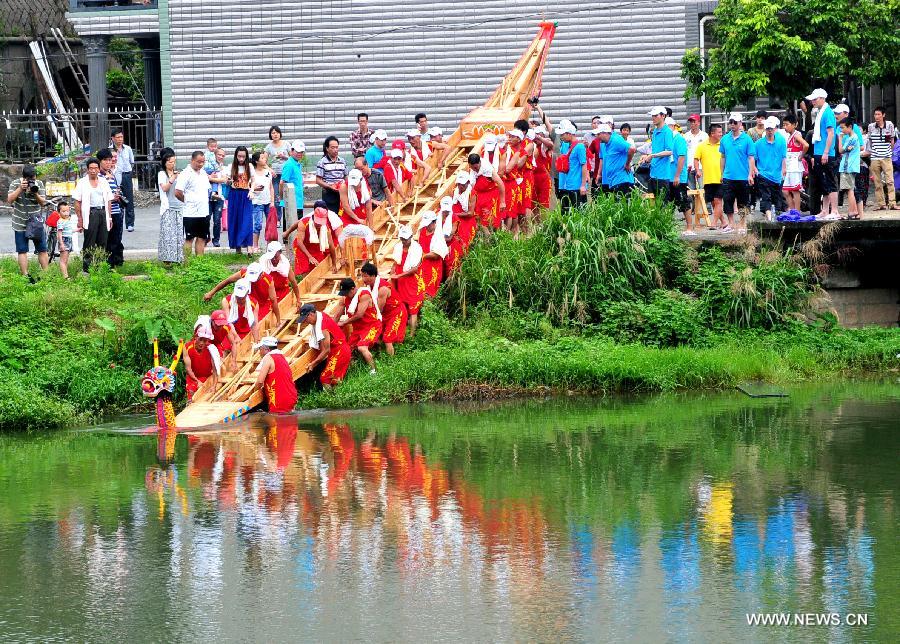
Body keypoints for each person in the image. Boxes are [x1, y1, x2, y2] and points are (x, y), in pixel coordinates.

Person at [6, 164, 49, 278]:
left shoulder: (38, 184)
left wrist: (35, 193)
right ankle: (25, 276)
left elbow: (43, 203)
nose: (32, 181)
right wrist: (20, 188)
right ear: (24, 177)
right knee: (22, 250)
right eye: (30, 180)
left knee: (42, 249)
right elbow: (9, 200)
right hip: (20, 222)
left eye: (33, 179)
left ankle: (46, 275)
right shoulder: (15, 183)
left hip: (36, 223)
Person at [72, 158, 113, 273]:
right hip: (90, 213)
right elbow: (77, 201)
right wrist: (79, 218)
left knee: (103, 241)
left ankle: (101, 267)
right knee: (89, 241)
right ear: (87, 169)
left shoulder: (103, 181)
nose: (93, 171)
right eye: (91, 168)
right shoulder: (82, 182)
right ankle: (87, 268)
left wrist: (109, 216)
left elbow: (109, 199)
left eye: (96, 168)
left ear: (99, 169)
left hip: (102, 212)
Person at [205, 260, 279, 324]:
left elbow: (273, 300)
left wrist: (278, 320)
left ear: (261, 274)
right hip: (241, 303)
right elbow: (227, 281)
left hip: (258, 307)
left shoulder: (268, 280)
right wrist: (211, 293)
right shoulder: (244, 273)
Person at [296, 304, 351, 388]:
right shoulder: (320, 315)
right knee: (334, 379)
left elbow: (326, 350)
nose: (305, 322)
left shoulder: (322, 328)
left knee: (325, 379)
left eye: (306, 319)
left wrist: (313, 364)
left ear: (311, 314)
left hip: (340, 351)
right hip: (337, 350)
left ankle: (333, 399)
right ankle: (337, 397)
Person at [283, 199, 344, 274]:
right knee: (304, 269)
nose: (319, 225)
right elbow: (299, 242)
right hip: (303, 246)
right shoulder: (304, 223)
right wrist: (309, 256)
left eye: (321, 222)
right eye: (317, 222)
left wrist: (334, 264)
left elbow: (332, 246)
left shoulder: (328, 226)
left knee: (318, 268)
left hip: (316, 247)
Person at [719, 112, 756, 233]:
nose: (733, 125)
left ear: (740, 123)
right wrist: (721, 173)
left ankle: (742, 224)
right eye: (731, 122)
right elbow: (723, 156)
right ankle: (730, 223)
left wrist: (750, 174)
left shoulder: (747, 139)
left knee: (743, 202)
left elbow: (751, 158)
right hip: (728, 175)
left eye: (735, 122)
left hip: (743, 176)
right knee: (728, 200)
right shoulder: (725, 139)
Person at [361, 261, 406, 355]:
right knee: (380, 336)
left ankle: (391, 364)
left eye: (365, 276)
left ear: (373, 276)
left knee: (387, 339)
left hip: (396, 312)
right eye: (362, 276)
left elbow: (379, 309)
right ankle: (383, 355)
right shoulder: (369, 285)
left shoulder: (382, 289)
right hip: (386, 313)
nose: (363, 279)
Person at [338, 277, 381, 374]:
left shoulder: (364, 295)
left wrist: (344, 322)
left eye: (346, 292)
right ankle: (355, 371)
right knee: (347, 351)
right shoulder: (344, 298)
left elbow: (359, 314)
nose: (345, 295)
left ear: (353, 289)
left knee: (362, 347)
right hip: (358, 329)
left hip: (371, 326)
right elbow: (337, 315)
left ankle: (374, 372)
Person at [807, 88, 838, 218]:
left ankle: (834, 210)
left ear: (821, 98)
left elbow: (831, 133)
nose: (813, 101)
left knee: (830, 181)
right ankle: (825, 210)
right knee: (823, 182)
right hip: (819, 151)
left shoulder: (828, 113)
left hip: (826, 153)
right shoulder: (821, 112)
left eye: (815, 99)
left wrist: (826, 152)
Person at [391, 224, 425, 337]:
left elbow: (414, 269)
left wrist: (399, 275)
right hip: (400, 279)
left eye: (406, 239)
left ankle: (412, 334)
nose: (404, 241)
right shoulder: (398, 247)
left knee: (413, 307)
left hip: (411, 280)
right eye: (402, 239)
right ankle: (402, 332)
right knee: (402, 305)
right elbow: (395, 262)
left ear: (411, 237)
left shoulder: (417, 248)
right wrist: (393, 272)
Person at [175, 150, 211, 256]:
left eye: (202, 162)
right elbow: (177, 192)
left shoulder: (203, 173)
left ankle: (199, 263)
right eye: (198, 162)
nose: (200, 164)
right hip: (190, 212)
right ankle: (187, 264)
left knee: (202, 238)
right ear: (192, 160)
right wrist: (187, 201)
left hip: (204, 211)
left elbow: (206, 189)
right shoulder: (185, 174)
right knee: (189, 238)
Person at [753, 116, 787, 220]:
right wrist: (755, 169)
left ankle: (776, 215)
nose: (769, 131)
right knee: (766, 196)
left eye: (771, 129)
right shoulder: (758, 144)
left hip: (776, 175)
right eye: (767, 129)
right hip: (763, 174)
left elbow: (783, 157)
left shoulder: (781, 141)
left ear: (775, 129)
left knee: (777, 197)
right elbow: (752, 158)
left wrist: (784, 169)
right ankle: (768, 217)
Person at [252, 336, 297, 413]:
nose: (259, 351)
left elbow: (260, 381)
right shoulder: (281, 357)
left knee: (277, 423)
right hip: (291, 396)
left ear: (266, 349)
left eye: (260, 349)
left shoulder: (268, 358)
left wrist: (254, 394)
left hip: (279, 399)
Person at [694, 124, 725, 229]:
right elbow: (696, 159)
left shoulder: (723, 145)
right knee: (713, 202)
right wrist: (697, 170)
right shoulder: (702, 146)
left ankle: (714, 223)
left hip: (721, 178)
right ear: (712, 133)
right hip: (707, 179)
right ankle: (724, 222)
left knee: (718, 201)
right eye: (719, 132)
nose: (721, 134)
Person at [97, 148, 124, 268]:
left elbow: (114, 190)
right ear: (99, 161)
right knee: (106, 240)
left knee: (116, 239)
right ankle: (107, 266)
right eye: (106, 160)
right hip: (106, 212)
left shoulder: (111, 174)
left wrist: (117, 195)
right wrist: (111, 197)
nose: (109, 162)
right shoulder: (98, 176)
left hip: (116, 210)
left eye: (110, 160)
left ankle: (113, 265)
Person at [156, 148, 184, 265]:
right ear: (164, 162)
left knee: (178, 234)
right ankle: (167, 260)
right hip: (168, 208)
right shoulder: (162, 174)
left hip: (179, 207)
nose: (172, 164)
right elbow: (164, 188)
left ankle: (178, 259)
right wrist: (172, 178)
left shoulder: (177, 173)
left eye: (174, 162)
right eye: (170, 162)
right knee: (168, 234)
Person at [866, 106, 897, 210]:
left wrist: (890, 152)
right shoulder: (871, 126)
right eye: (875, 114)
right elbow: (869, 141)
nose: (877, 116)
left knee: (890, 181)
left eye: (879, 114)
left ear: (883, 115)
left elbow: (892, 140)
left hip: (886, 157)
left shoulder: (889, 125)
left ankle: (892, 203)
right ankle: (881, 204)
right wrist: (871, 152)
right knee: (877, 182)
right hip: (875, 157)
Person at [643, 107, 675, 202]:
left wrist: (652, 156)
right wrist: (648, 156)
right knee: (652, 205)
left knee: (663, 206)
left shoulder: (667, 132)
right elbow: (655, 150)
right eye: (652, 115)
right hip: (653, 173)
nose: (653, 118)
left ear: (663, 116)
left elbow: (669, 151)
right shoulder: (655, 131)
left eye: (655, 115)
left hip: (663, 175)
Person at [556, 119, 588, 212]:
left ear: (569, 133)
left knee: (580, 213)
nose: (561, 137)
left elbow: (584, 166)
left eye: (562, 135)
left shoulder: (580, 147)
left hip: (577, 187)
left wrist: (583, 185)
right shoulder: (570, 146)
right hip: (569, 186)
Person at [594, 123, 636, 196]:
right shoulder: (606, 144)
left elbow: (632, 149)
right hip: (615, 181)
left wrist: (627, 164)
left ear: (605, 133)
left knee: (623, 205)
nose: (596, 137)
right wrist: (599, 174)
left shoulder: (616, 140)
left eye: (598, 134)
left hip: (622, 181)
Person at [184, 322, 221, 402]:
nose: (202, 343)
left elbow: (215, 371)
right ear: (195, 337)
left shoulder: (211, 349)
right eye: (200, 339)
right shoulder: (187, 347)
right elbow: (188, 369)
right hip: (193, 378)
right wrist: (197, 381)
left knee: (211, 395)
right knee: (191, 393)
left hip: (207, 377)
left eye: (205, 341)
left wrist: (214, 386)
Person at [227, 145, 254, 254]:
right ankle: (238, 248)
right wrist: (228, 181)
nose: (241, 159)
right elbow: (227, 180)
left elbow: (254, 180)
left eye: (243, 156)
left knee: (247, 220)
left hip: (246, 195)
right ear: (236, 156)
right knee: (235, 220)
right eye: (239, 156)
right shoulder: (231, 166)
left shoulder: (250, 166)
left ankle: (249, 247)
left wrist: (251, 190)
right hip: (234, 194)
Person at [468, 152, 505, 231]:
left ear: (480, 163)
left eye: (477, 168)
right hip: (478, 196)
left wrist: (502, 201)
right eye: (473, 168)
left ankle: (497, 237)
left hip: (491, 196)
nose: (475, 170)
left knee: (492, 220)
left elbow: (500, 183)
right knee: (479, 220)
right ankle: (487, 239)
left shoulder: (487, 168)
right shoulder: (471, 169)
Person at [669, 117, 693, 232]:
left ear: (673, 126)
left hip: (678, 176)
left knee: (683, 201)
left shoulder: (679, 139)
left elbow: (682, 157)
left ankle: (689, 227)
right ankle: (668, 227)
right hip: (667, 175)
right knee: (669, 203)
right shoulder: (667, 139)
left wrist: (677, 175)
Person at [417, 210, 448, 298]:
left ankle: (430, 308)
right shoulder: (423, 230)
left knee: (430, 289)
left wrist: (423, 255)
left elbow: (437, 254)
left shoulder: (438, 236)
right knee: (421, 288)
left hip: (433, 266)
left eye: (429, 224)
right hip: (422, 264)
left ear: (434, 222)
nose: (427, 226)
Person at [781, 114, 809, 212]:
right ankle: (793, 210)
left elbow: (806, 145)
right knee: (785, 191)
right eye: (783, 125)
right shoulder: (789, 136)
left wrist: (801, 156)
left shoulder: (796, 135)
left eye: (787, 125)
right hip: (789, 166)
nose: (785, 127)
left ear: (794, 125)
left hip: (795, 166)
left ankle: (796, 212)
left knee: (795, 190)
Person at [110, 129, 136, 231]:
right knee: (116, 198)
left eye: (121, 137)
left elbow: (132, 162)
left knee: (129, 199)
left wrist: (128, 172)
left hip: (126, 175)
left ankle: (130, 223)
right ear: (112, 138)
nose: (120, 139)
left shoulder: (128, 149)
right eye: (118, 137)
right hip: (115, 176)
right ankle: (117, 221)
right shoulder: (109, 150)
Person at [838, 118, 864, 220]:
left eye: (843, 128)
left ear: (849, 127)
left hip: (847, 167)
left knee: (849, 190)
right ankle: (855, 212)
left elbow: (841, 150)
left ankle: (852, 211)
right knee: (851, 189)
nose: (841, 130)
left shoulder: (851, 138)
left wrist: (840, 138)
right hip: (851, 166)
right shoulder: (853, 137)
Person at [249, 151, 275, 252]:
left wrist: (272, 201)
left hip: (268, 201)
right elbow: (248, 187)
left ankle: (270, 246)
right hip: (256, 202)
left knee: (270, 224)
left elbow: (271, 187)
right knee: (257, 224)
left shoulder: (268, 172)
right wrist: (254, 188)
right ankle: (255, 246)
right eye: (262, 158)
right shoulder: (252, 173)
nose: (265, 160)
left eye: (265, 158)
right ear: (256, 161)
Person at [315, 136, 348, 213]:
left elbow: (346, 176)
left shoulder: (342, 161)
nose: (335, 150)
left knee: (343, 215)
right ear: (327, 148)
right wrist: (330, 186)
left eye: (337, 147)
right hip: (329, 193)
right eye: (333, 148)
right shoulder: (322, 162)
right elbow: (318, 180)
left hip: (342, 192)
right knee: (331, 215)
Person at [265, 125, 290, 223]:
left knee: (288, 195)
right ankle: (278, 219)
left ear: (280, 134)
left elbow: (293, 158)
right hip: (275, 175)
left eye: (276, 132)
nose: (275, 134)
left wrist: (284, 156)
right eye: (273, 133)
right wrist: (270, 169)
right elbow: (263, 161)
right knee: (276, 197)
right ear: (270, 135)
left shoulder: (286, 144)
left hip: (286, 173)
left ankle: (288, 218)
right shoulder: (268, 147)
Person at [205, 142, 226, 247]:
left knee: (217, 220)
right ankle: (206, 237)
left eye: (223, 155)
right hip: (207, 197)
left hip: (219, 197)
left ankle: (216, 240)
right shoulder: (207, 164)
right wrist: (212, 178)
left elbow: (224, 180)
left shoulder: (223, 167)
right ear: (214, 155)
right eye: (219, 155)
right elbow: (203, 178)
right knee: (206, 218)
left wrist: (211, 179)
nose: (221, 157)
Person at [279, 140, 306, 225]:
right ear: (291, 151)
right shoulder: (289, 164)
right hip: (291, 202)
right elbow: (282, 182)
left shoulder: (296, 163)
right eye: (297, 151)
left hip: (297, 201)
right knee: (290, 229)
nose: (300, 154)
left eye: (302, 152)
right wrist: (282, 198)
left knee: (297, 229)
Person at [451, 171, 477, 249]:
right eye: (459, 184)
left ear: (468, 182)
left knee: (465, 242)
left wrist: (455, 215)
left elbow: (470, 213)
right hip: (455, 219)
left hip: (466, 220)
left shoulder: (472, 193)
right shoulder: (454, 191)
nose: (460, 186)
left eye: (462, 184)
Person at [532, 124, 554, 210]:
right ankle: (536, 223)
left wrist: (540, 137)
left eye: (540, 134)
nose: (537, 137)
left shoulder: (544, 146)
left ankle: (544, 223)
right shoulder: (532, 145)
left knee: (543, 204)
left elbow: (551, 145)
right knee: (533, 204)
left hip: (544, 178)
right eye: (536, 135)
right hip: (533, 177)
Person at [684, 114, 708, 189]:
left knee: (702, 188)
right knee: (690, 190)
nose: (692, 124)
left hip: (701, 166)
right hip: (689, 166)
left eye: (694, 121)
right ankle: (692, 201)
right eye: (691, 122)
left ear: (699, 122)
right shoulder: (685, 136)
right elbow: (684, 152)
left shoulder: (705, 136)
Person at [54, 201, 75, 279]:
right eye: (63, 211)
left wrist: (77, 230)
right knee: (63, 260)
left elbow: (69, 231)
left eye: (67, 211)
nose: (66, 213)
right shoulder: (60, 221)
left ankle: (66, 275)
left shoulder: (67, 220)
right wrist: (61, 244)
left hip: (69, 240)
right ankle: (65, 277)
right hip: (64, 240)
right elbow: (59, 233)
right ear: (59, 212)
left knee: (65, 260)